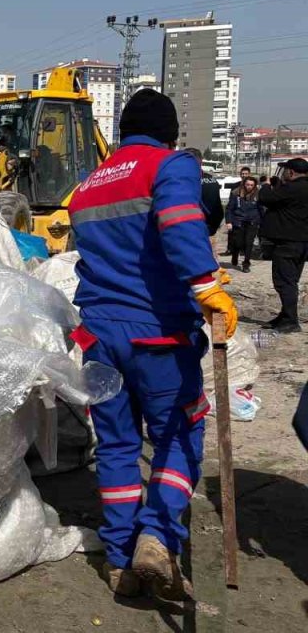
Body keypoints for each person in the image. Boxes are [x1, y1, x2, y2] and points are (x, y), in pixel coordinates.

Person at [68, 89, 238, 601]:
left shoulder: (89, 185)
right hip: (157, 333)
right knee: (179, 437)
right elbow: (181, 222)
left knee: (118, 447)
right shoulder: (170, 165)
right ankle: (158, 538)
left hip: (99, 336)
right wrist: (205, 284)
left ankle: (121, 562)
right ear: (169, 133)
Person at [257, 157, 308, 333]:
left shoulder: (292, 188)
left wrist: (264, 184)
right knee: (291, 281)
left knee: (284, 282)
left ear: (291, 172)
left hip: (287, 243)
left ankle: (291, 320)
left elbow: (265, 198)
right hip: (301, 243)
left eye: (286, 170)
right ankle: (285, 315)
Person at [186, 148, 224, 235]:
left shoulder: (185, 180)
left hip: (192, 227)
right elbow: (218, 206)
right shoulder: (212, 179)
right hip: (209, 225)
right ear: (201, 161)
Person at [225, 177, 261, 272]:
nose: (249, 187)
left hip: (252, 222)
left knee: (248, 243)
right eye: (247, 184)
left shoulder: (258, 194)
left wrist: (261, 221)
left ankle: (246, 263)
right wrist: (229, 221)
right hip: (239, 221)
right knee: (238, 242)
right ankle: (235, 254)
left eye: (251, 185)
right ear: (244, 184)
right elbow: (229, 209)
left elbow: (261, 209)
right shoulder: (236, 194)